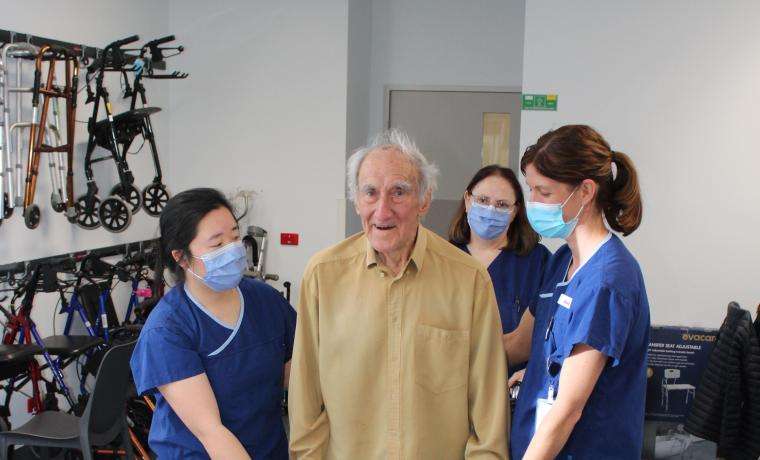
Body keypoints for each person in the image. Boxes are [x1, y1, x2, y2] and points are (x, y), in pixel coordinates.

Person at [288, 129, 508, 459]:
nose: (382, 210)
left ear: (424, 200)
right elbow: (306, 404)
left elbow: (488, 414)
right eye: (370, 193)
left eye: (399, 192)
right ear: (356, 200)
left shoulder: (469, 280)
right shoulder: (322, 276)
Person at [506, 125, 650, 459]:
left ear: (585, 191)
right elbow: (521, 342)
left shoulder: (607, 281)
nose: (533, 203)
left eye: (544, 192)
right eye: (531, 190)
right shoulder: (562, 262)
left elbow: (568, 408)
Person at [130, 188, 296, 459]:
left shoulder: (264, 300)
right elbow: (211, 431)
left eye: (235, 237)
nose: (233, 250)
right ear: (181, 257)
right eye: (218, 245)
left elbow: (298, 378)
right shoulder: (168, 330)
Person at [448, 165, 550, 337]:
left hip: (514, 364)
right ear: (467, 200)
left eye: (502, 204)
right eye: (482, 200)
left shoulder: (538, 262)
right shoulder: (443, 258)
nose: (490, 210)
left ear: (515, 211)